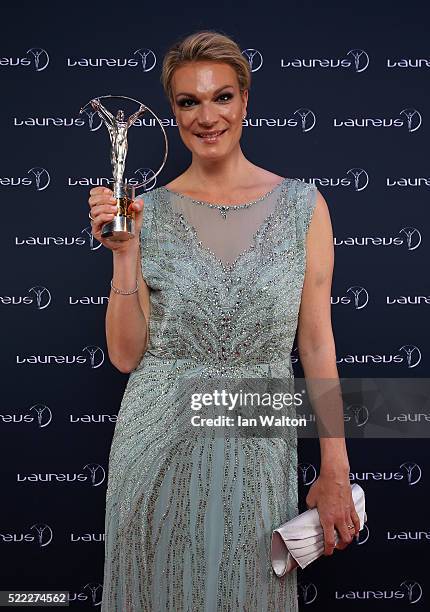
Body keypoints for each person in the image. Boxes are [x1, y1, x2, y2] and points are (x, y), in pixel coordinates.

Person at [87, 30, 359, 612]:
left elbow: (315, 343)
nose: (207, 116)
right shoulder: (145, 211)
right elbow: (126, 357)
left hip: (258, 443)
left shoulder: (303, 207)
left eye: (222, 97)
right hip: (156, 441)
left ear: (245, 103)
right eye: (189, 102)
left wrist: (335, 466)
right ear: (173, 112)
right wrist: (125, 254)